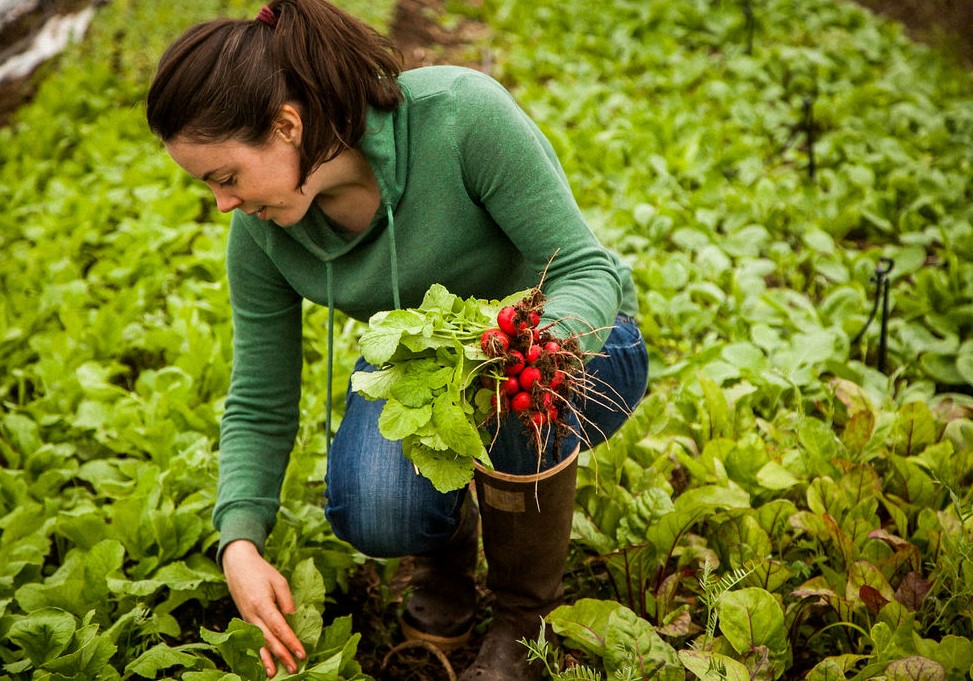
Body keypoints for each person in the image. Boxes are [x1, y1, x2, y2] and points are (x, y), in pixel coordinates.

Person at [146, 1, 649, 678]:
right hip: (429, 370)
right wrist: (238, 540)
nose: (224, 204)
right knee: (375, 506)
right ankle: (446, 566)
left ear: (286, 124)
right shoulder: (262, 236)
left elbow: (588, 271)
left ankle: (523, 619)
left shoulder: (460, 116)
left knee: (509, 397)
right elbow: (259, 400)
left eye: (226, 177)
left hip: (578, 348)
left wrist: (540, 346)